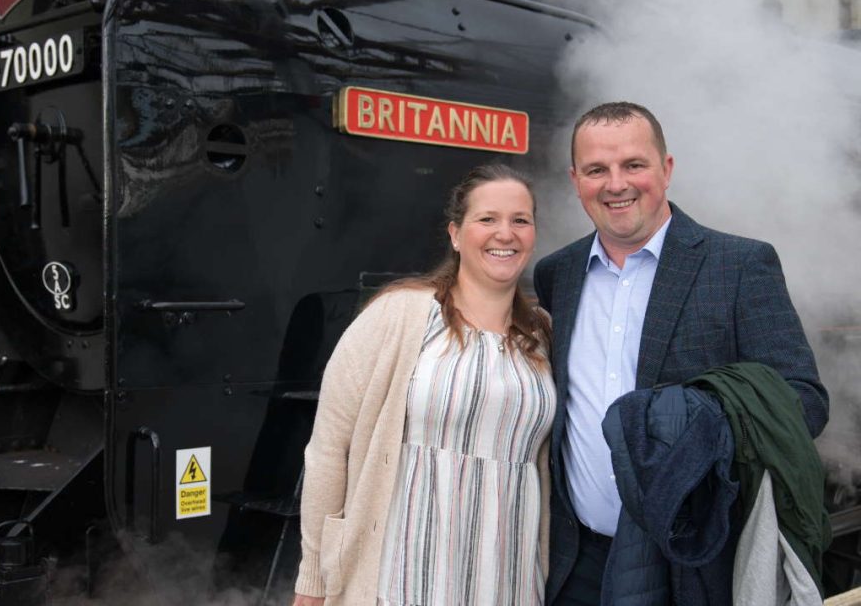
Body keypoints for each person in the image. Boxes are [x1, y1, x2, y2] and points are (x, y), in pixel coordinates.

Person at [533, 101, 829, 605]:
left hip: (690, 562)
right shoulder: (556, 274)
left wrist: (699, 422)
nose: (616, 184)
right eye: (596, 170)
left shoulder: (738, 264)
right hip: (578, 562)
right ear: (575, 178)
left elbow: (805, 403)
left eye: (634, 165)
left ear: (666, 170)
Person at [292, 163, 555, 606]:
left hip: (508, 580)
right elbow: (329, 450)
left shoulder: (542, 335)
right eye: (487, 219)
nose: (504, 233)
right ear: (455, 234)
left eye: (520, 220)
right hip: (403, 577)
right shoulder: (398, 315)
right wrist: (314, 581)